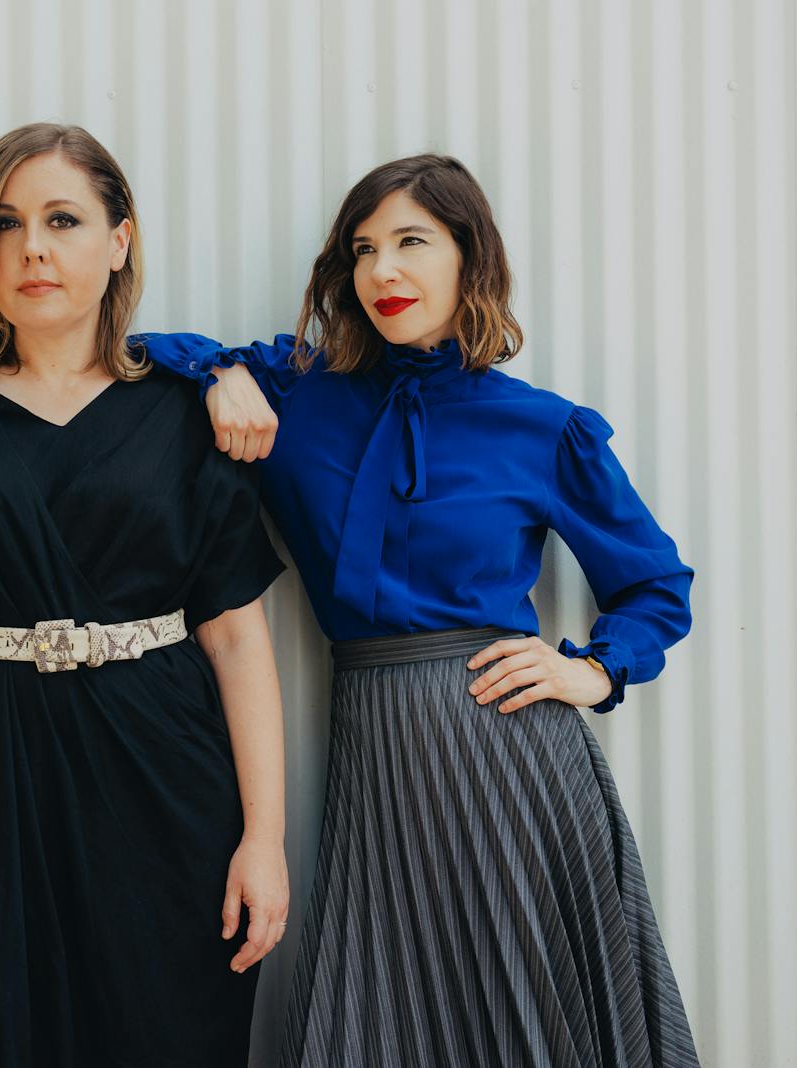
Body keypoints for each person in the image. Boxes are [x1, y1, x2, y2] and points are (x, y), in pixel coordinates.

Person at [138, 153, 701, 1067]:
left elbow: (655, 584)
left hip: (515, 759)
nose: (383, 272)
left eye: (411, 242)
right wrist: (216, 375)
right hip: (377, 745)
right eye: (364, 249)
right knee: (381, 1016)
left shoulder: (541, 426)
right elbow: (130, 350)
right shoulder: (299, 393)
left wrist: (592, 669)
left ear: (468, 257)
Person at [0, 123, 289, 1067]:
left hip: (164, 790)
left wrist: (265, 839)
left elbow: (239, 639)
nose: (31, 246)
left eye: (62, 218)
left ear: (119, 241)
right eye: (5, 222)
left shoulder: (187, 412)